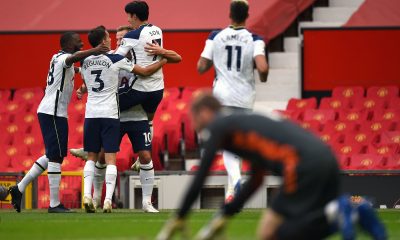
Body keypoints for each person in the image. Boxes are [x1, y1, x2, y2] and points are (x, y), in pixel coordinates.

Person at [156, 93, 387, 240]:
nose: (195, 126)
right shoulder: (243, 125)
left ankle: (345, 212)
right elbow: (256, 180)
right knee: (313, 222)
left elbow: (201, 175)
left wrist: (180, 215)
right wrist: (226, 213)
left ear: (205, 112)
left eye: (194, 118)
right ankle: (352, 208)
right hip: (325, 158)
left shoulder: (221, 124)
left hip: (301, 165)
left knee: (269, 233)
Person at [8, 32, 109, 213]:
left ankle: (19, 188)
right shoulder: (64, 58)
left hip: (55, 113)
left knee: (53, 155)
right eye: (78, 41)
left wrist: (87, 70)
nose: (81, 42)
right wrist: (96, 50)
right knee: (55, 156)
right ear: (69, 44)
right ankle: (54, 204)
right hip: (52, 112)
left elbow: (74, 67)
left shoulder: (57, 57)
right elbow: (73, 59)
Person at [80, 26, 168, 213]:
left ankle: (146, 203)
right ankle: (96, 197)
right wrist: (83, 88)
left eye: (123, 39)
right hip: (115, 115)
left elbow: (148, 78)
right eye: (117, 39)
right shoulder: (112, 57)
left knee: (145, 156)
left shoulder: (139, 58)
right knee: (103, 157)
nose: (120, 42)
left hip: (137, 115)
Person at [196, 0, 269, 202]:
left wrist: (215, 62)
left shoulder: (215, 36)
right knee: (235, 141)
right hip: (244, 96)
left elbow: (201, 66)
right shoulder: (255, 39)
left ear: (230, 14)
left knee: (227, 142)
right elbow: (262, 68)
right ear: (247, 15)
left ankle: (235, 183)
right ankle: (233, 187)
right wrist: (262, 78)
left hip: (221, 95)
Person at [115, 0, 182, 138]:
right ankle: (146, 157)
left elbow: (115, 58)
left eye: (128, 16)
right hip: (158, 88)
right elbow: (173, 57)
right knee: (149, 121)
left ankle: (92, 149)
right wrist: (163, 56)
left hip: (140, 88)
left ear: (134, 16)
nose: (128, 20)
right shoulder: (157, 30)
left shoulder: (132, 35)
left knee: (106, 105)